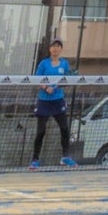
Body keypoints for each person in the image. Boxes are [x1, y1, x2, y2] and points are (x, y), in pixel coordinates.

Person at [29, 38, 75, 169]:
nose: (55, 48)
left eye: (58, 46)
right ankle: (35, 160)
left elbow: (66, 80)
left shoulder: (65, 64)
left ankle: (65, 157)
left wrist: (57, 87)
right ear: (50, 49)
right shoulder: (44, 64)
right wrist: (45, 87)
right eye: (53, 46)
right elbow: (36, 79)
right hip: (44, 101)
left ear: (61, 49)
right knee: (41, 132)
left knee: (65, 129)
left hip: (58, 100)